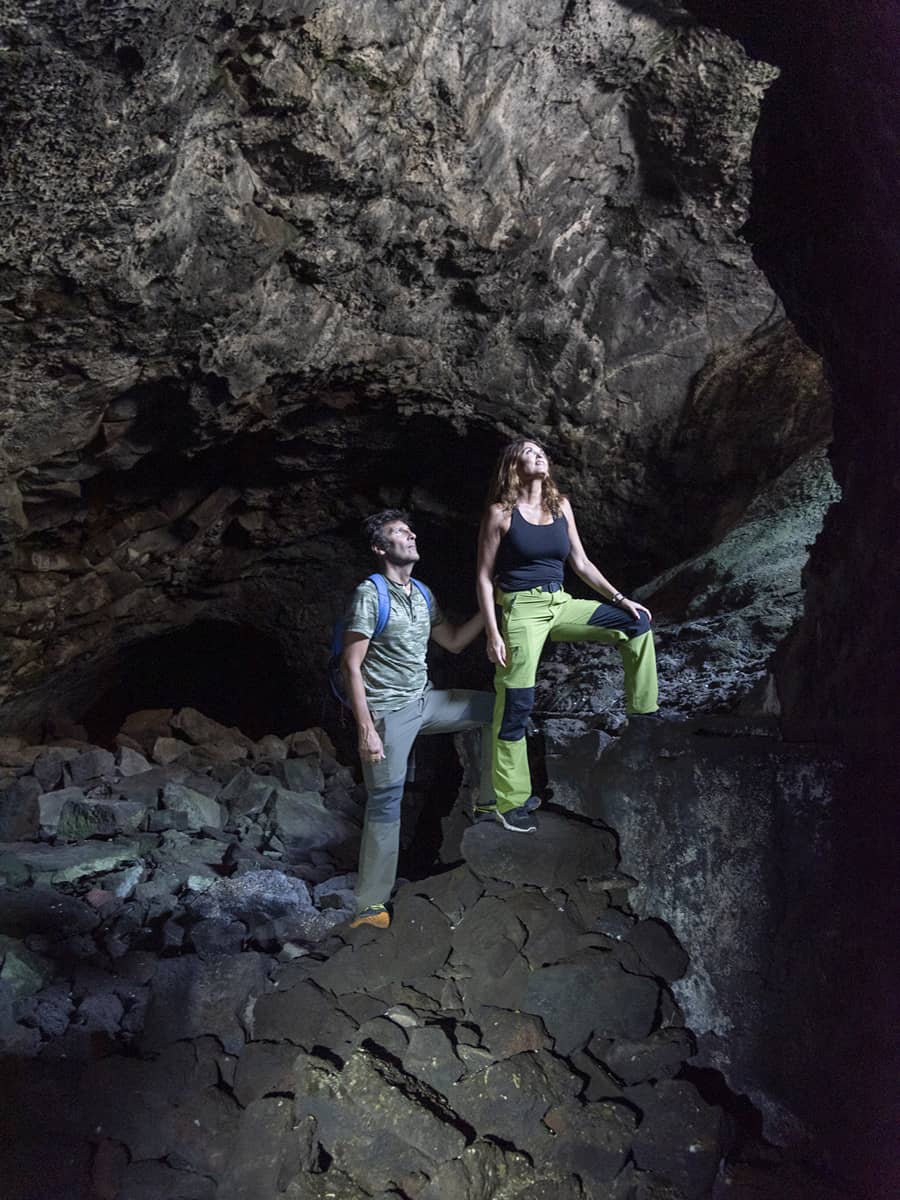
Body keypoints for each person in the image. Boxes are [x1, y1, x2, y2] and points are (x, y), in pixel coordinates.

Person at [476, 438, 658, 830]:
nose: (538, 454)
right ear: (512, 464)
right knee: (516, 701)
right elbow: (484, 577)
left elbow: (581, 562)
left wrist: (621, 598)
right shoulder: (501, 513)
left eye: (541, 450)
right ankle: (510, 802)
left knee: (637, 625)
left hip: (561, 602)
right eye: (527, 451)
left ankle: (644, 716)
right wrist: (493, 632)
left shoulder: (560, 506)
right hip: (522, 611)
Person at [342, 509, 495, 929]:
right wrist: (366, 731)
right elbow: (351, 665)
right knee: (386, 803)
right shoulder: (370, 595)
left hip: (425, 702)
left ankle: (491, 800)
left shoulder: (423, 593)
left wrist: (489, 606)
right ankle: (370, 906)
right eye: (398, 533)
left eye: (409, 531)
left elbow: (454, 642)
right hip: (388, 715)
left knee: (494, 710)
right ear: (380, 547)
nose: (410, 536)